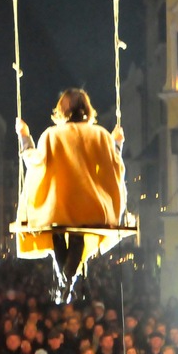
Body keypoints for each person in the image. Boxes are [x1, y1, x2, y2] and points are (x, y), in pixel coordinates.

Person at [15, 88, 126, 300]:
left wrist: (24, 137)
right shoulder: (100, 135)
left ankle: (65, 281)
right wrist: (118, 143)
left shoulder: (52, 135)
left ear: (61, 109)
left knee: (56, 232)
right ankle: (67, 280)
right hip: (91, 206)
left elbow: (35, 162)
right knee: (78, 236)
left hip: (57, 207)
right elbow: (114, 164)